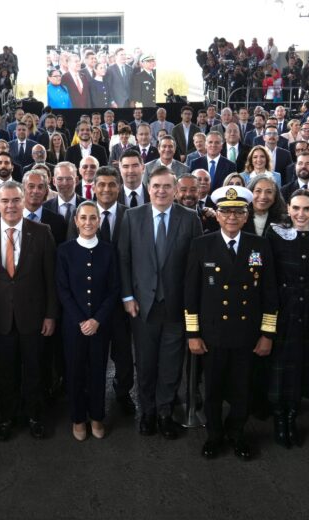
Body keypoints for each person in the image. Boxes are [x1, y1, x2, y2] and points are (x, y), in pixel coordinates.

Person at [185, 186, 277, 460]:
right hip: (213, 333)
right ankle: (214, 435)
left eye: (238, 212)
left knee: (242, 389)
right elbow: (191, 292)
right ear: (218, 215)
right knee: (212, 388)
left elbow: (270, 293)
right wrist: (193, 333)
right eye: (226, 211)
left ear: (246, 216)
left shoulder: (259, 245)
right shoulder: (201, 244)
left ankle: (237, 433)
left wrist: (267, 334)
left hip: (247, 334)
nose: (232, 217)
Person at [116, 166, 203, 439]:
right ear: (148, 188)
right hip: (143, 306)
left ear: (175, 190)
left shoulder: (189, 219)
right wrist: (128, 296)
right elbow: (124, 259)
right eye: (156, 186)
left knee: (170, 363)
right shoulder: (132, 216)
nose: (161, 191)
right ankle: (148, 412)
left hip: (176, 306)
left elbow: (196, 266)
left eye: (167, 186)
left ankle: (165, 412)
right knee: (145, 362)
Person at [0, 180, 58, 441]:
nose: (11, 205)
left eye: (15, 200)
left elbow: (51, 279)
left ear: (24, 201)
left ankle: (34, 416)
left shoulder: (42, 232)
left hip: (33, 318)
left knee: (34, 371)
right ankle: (6, 418)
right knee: (5, 373)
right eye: (5, 201)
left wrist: (51, 314)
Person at [265, 190, 309, 448]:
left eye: (307, 209)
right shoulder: (275, 233)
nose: (301, 214)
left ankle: (293, 415)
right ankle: (279, 417)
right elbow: (267, 273)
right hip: (284, 309)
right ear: (288, 208)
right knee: (280, 363)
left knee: (303, 363)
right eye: (296, 208)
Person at [56, 201, 120, 441]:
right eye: (83, 218)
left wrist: (97, 320)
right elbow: (63, 290)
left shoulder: (108, 250)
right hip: (74, 326)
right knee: (75, 373)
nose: (88, 222)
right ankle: (78, 418)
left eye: (93, 218)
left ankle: (96, 417)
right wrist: (82, 320)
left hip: (100, 326)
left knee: (97, 372)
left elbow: (114, 289)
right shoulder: (64, 250)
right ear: (76, 221)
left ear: (99, 221)